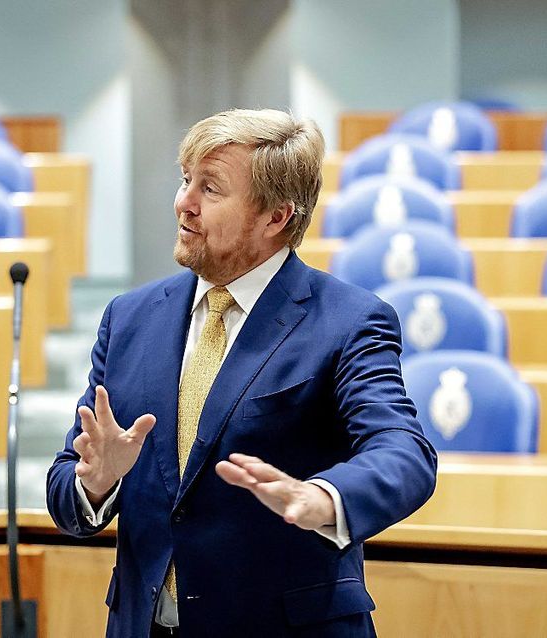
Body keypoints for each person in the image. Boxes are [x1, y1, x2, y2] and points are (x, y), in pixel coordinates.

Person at [46, 108, 437, 637]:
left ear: (276, 216)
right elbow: (69, 485)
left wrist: (320, 498)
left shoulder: (349, 321)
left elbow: (404, 453)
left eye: (210, 189)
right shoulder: (129, 318)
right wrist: (95, 482)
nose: (184, 203)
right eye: (186, 180)